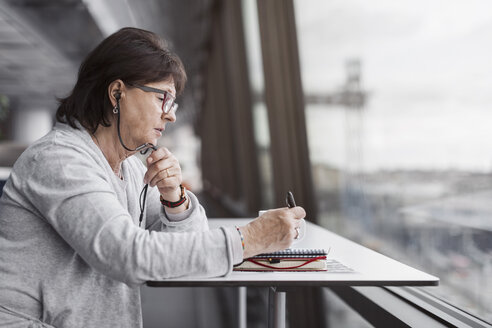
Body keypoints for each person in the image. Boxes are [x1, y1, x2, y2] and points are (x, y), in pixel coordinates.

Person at [0, 27, 306, 327]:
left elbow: (184, 253)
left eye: (172, 103)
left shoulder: (131, 166)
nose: (171, 114)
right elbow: (128, 255)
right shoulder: (59, 160)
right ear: (117, 93)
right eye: (162, 98)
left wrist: (176, 199)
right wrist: (249, 240)